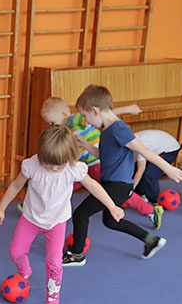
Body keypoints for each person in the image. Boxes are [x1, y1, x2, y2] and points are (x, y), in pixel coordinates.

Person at [0, 126, 124, 304]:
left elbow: (93, 186)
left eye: (58, 166)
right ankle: (25, 271)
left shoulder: (73, 168)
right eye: (48, 164)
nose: (53, 169)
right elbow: (15, 185)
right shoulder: (32, 165)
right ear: (41, 156)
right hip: (30, 218)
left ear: (70, 158)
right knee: (16, 252)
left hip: (56, 223)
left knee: (54, 265)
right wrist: (1, 208)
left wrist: (112, 206)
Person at [63, 85, 182, 267]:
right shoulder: (107, 130)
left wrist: (168, 168)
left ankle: (77, 255)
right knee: (110, 221)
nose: (85, 121)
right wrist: (85, 144)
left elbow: (142, 149)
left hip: (117, 186)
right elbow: (104, 156)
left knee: (81, 214)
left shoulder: (118, 129)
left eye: (85, 115)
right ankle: (151, 240)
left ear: (95, 111)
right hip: (114, 184)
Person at [41, 97, 160, 227]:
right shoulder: (65, 128)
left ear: (63, 114)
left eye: (52, 122)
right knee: (64, 184)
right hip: (84, 166)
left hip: (96, 164)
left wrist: (127, 109)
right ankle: (42, 204)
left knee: (119, 194)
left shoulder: (74, 120)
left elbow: (104, 113)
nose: (52, 126)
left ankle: (151, 211)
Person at [132, 129, 181, 204]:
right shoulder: (128, 143)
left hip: (169, 150)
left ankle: (154, 201)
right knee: (134, 169)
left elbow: (141, 170)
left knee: (150, 174)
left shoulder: (139, 144)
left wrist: (131, 189)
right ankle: (139, 194)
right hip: (155, 150)